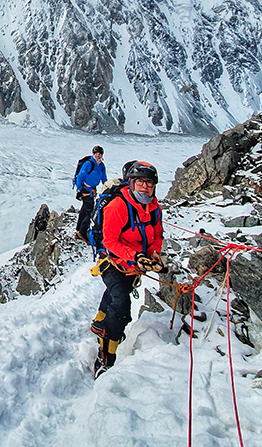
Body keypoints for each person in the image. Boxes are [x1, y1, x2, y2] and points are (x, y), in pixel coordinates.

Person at [89, 160, 165, 379]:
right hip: (113, 263)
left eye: (149, 183)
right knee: (121, 307)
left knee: (115, 294)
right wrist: (136, 256)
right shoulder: (117, 207)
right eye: (140, 182)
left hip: (133, 267)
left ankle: (99, 321)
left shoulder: (154, 209)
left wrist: (153, 255)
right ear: (131, 183)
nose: (145, 187)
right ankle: (105, 357)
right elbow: (109, 241)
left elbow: (156, 236)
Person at [74, 146, 107, 242]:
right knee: (89, 211)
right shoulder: (89, 164)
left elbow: (104, 179)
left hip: (92, 190)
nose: (98, 155)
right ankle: (82, 232)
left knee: (84, 210)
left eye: (100, 153)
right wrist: (79, 189)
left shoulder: (101, 166)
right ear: (93, 153)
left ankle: (78, 231)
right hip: (85, 190)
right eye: (96, 153)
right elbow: (80, 176)